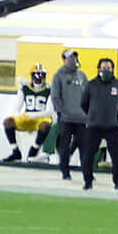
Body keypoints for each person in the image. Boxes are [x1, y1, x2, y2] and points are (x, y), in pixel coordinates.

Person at [80, 57, 118, 192]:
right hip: (94, 126)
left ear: (112, 69)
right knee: (88, 155)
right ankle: (88, 182)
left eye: (108, 68)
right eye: (103, 68)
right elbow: (84, 104)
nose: (105, 70)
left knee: (116, 157)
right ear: (98, 69)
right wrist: (93, 115)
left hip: (113, 126)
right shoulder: (91, 84)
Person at [2, 64, 54, 162]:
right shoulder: (25, 88)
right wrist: (20, 116)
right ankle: (15, 151)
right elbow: (16, 108)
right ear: (32, 76)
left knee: (45, 126)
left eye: (41, 75)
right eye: (36, 75)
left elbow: (49, 111)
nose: (38, 78)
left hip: (42, 118)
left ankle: (34, 149)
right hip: (27, 117)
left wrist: (33, 115)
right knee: (8, 122)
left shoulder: (49, 89)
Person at [50, 49, 89, 181]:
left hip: (82, 118)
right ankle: (65, 172)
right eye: (71, 57)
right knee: (64, 146)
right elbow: (55, 96)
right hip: (66, 117)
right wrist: (61, 111)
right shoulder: (58, 76)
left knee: (84, 146)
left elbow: (88, 95)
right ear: (65, 60)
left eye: (75, 57)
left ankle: (86, 172)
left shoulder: (82, 76)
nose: (74, 60)